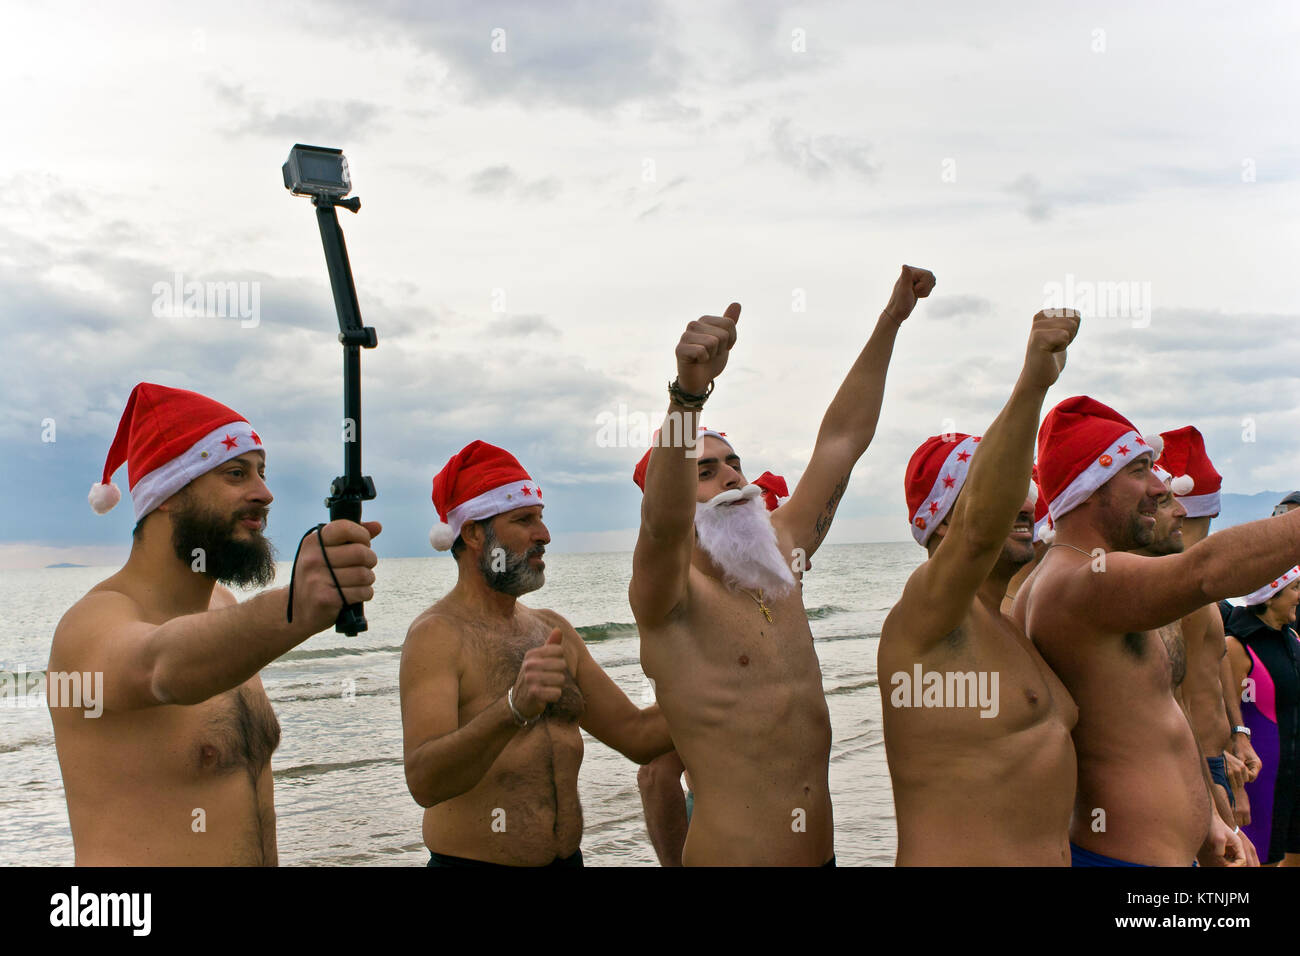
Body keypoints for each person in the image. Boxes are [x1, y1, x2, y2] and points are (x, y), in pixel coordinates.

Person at [628, 264, 934, 866]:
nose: (733, 477)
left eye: (733, 462)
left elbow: (843, 439)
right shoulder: (669, 595)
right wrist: (687, 395)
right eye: (704, 470)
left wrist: (891, 321)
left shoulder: (782, 556)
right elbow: (661, 528)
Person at [48, 383, 380, 865]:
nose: (264, 494)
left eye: (262, 473)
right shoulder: (91, 624)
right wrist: (297, 607)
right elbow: (159, 667)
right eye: (236, 473)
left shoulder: (225, 609)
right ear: (167, 493)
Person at [1012, 395, 1300, 865]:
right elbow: (1205, 571)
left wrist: (1206, 817)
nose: (1159, 487)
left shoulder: (1083, 576)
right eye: (1139, 470)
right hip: (1123, 858)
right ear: (1092, 486)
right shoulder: (1080, 581)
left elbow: (1156, 718)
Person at [401, 441, 673, 867]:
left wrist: (723, 682)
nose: (544, 535)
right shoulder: (437, 635)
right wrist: (514, 707)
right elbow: (424, 781)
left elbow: (636, 735)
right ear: (474, 534)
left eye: (541, 519)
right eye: (524, 520)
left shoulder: (552, 629)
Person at [880, 309, 1080, 865]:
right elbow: (977, 533)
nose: (1027, 500)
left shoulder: (1008, 620)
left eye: (1029, 484)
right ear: (943, 520)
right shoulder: (927, 618)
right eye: (1005, 486)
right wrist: (1034, 380)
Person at [1155, 427, 1261, 839]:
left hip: (1216, 754)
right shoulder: (1171, 587)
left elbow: (1217, 672)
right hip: (1195, 760)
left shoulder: (1203, 591)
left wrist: (1238, 733)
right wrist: (1208, 771)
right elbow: (1169, 694)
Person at [1224, 568, 1300, 865]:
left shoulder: (1292, 639)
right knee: (1258, 859)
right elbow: (1225, 718)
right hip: (1260, 778)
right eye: (1294, 589)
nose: (1299, 596)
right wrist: (1237, 789)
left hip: (1294, 775)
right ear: (1270, 597)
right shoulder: (1236, 646)